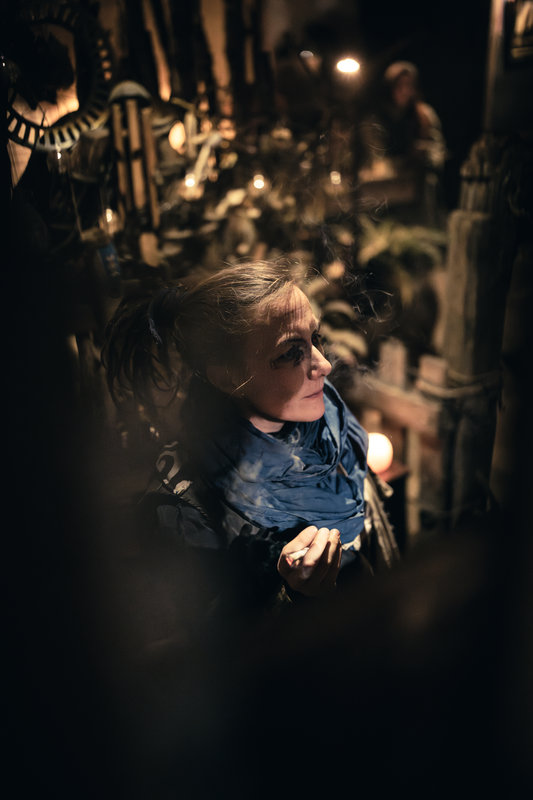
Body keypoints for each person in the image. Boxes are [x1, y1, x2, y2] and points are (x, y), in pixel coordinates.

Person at [102, 259, 398, 632]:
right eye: (290, 352)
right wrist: (295, 595)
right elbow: (203, 647)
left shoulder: (324, 425)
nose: (323, 364)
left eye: (316, 338)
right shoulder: (183, 506)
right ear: (227, 377)